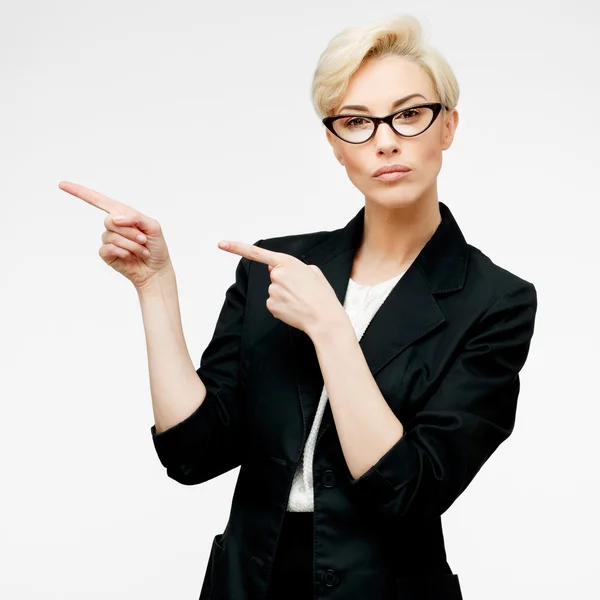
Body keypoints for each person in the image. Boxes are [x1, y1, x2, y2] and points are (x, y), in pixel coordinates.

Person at [59, 13, 538, 600]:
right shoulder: (277, 270)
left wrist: (331, 327)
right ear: (335, 145)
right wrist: (154, 285)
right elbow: (193, 452)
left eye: (409, 115)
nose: (385, 139)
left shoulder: (496, 300)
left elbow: (407, 491)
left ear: (448, 127)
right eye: (357, 122)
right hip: (249, 580)